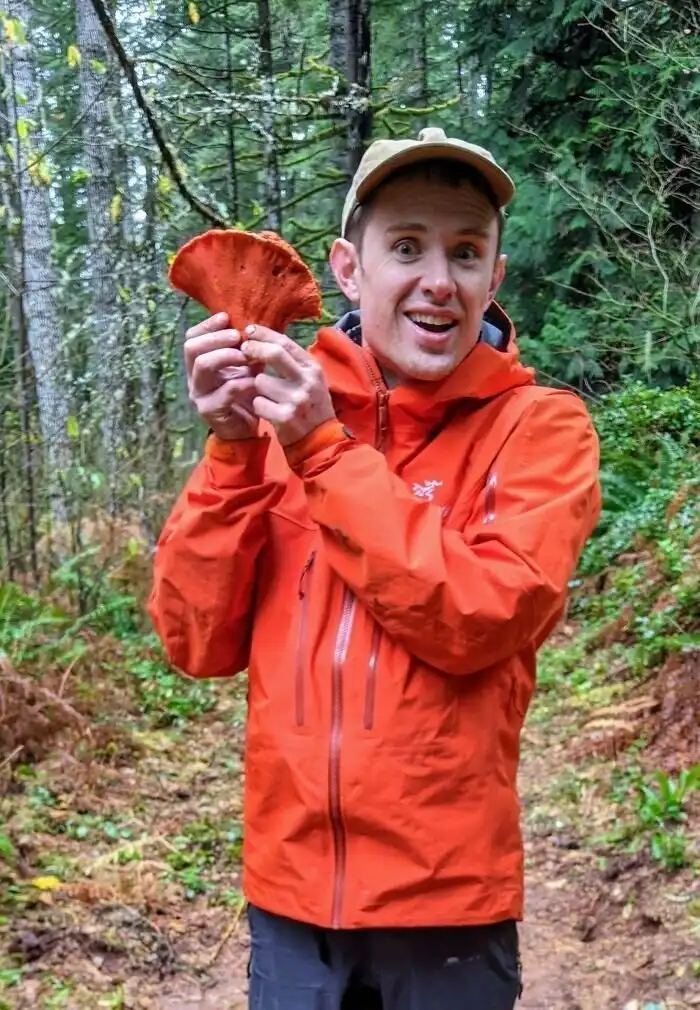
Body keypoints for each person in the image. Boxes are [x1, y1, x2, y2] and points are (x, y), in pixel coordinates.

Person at [149, 126, 601, 1010]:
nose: (439, 280)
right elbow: (195, 643)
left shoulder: (541, 428)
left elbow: (482, 617)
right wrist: (234, 449)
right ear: (348, 270)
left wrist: (322, 450)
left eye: (465, 252)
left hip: (448, 905)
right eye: (406, 247)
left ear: (494, 279)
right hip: (290, 901)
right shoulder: (276, 422)